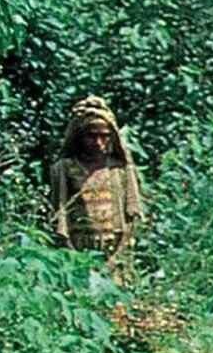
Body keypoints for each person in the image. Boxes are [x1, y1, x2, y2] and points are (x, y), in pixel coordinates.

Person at [49, 96, 144, 260]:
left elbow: (131, 216)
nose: (98, 142)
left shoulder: (119, 170)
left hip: (115, 248)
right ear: (80, 137)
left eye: (104, 136)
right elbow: (59, 211)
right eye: (91, 136)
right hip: (78, 249)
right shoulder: (65, 168)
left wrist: (120, 252)